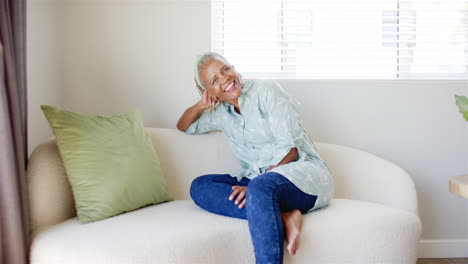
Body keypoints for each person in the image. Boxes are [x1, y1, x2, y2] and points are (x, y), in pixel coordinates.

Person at [177, 52, 334, 264]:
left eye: (225, 69)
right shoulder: (221, 112)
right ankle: (284, 216)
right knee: (200, 186)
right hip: (259, 183)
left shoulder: (266, 90)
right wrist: (200, 106)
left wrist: (256, 186)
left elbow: (291, 149)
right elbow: (184, 126)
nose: (225, 78)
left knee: (260, 188)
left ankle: (264, 201)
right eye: (215, 80)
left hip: (303, 176)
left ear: (233, 68)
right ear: (209, 91)